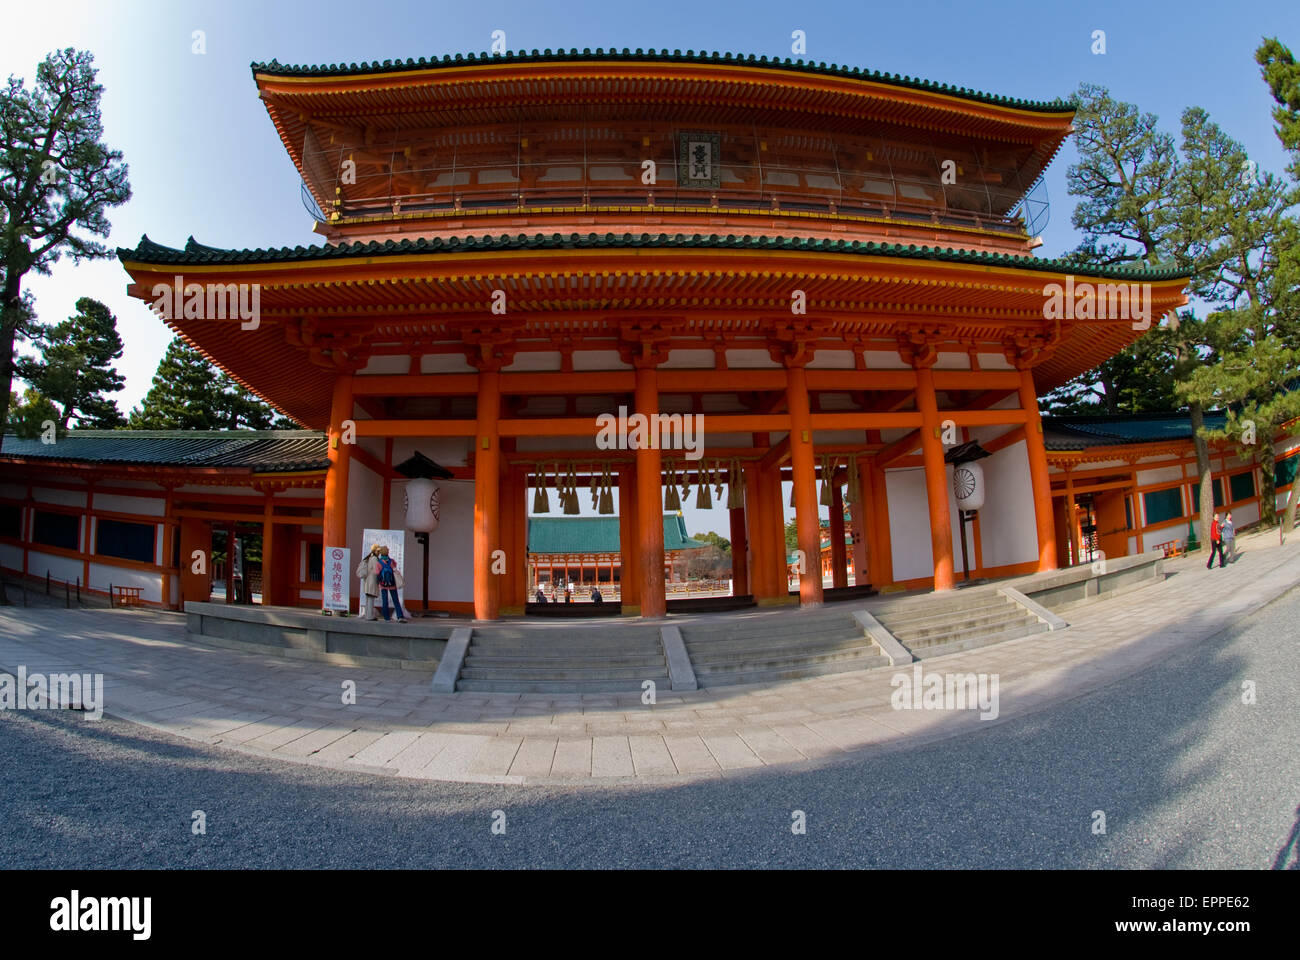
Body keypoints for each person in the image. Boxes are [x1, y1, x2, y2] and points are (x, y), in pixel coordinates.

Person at [375, 545, 408, 622]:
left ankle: (387, 618)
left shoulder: (379, 563)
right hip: (392, 584)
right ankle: (400, 616)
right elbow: (395, 568)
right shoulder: (391, 561)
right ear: (387, 552)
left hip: (383, 585)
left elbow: (377, 573)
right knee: (396, 600)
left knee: (385, 601)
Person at [355, 545, 381, 620]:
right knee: (371, 598)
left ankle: (367, 615)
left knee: (368, 598)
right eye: (378, 551)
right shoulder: (374, 559)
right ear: (375, 551)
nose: (379, 552)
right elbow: (377, 570)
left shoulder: (368, 558)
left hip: (367, 580)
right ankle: (370, 616)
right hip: (372, 580)